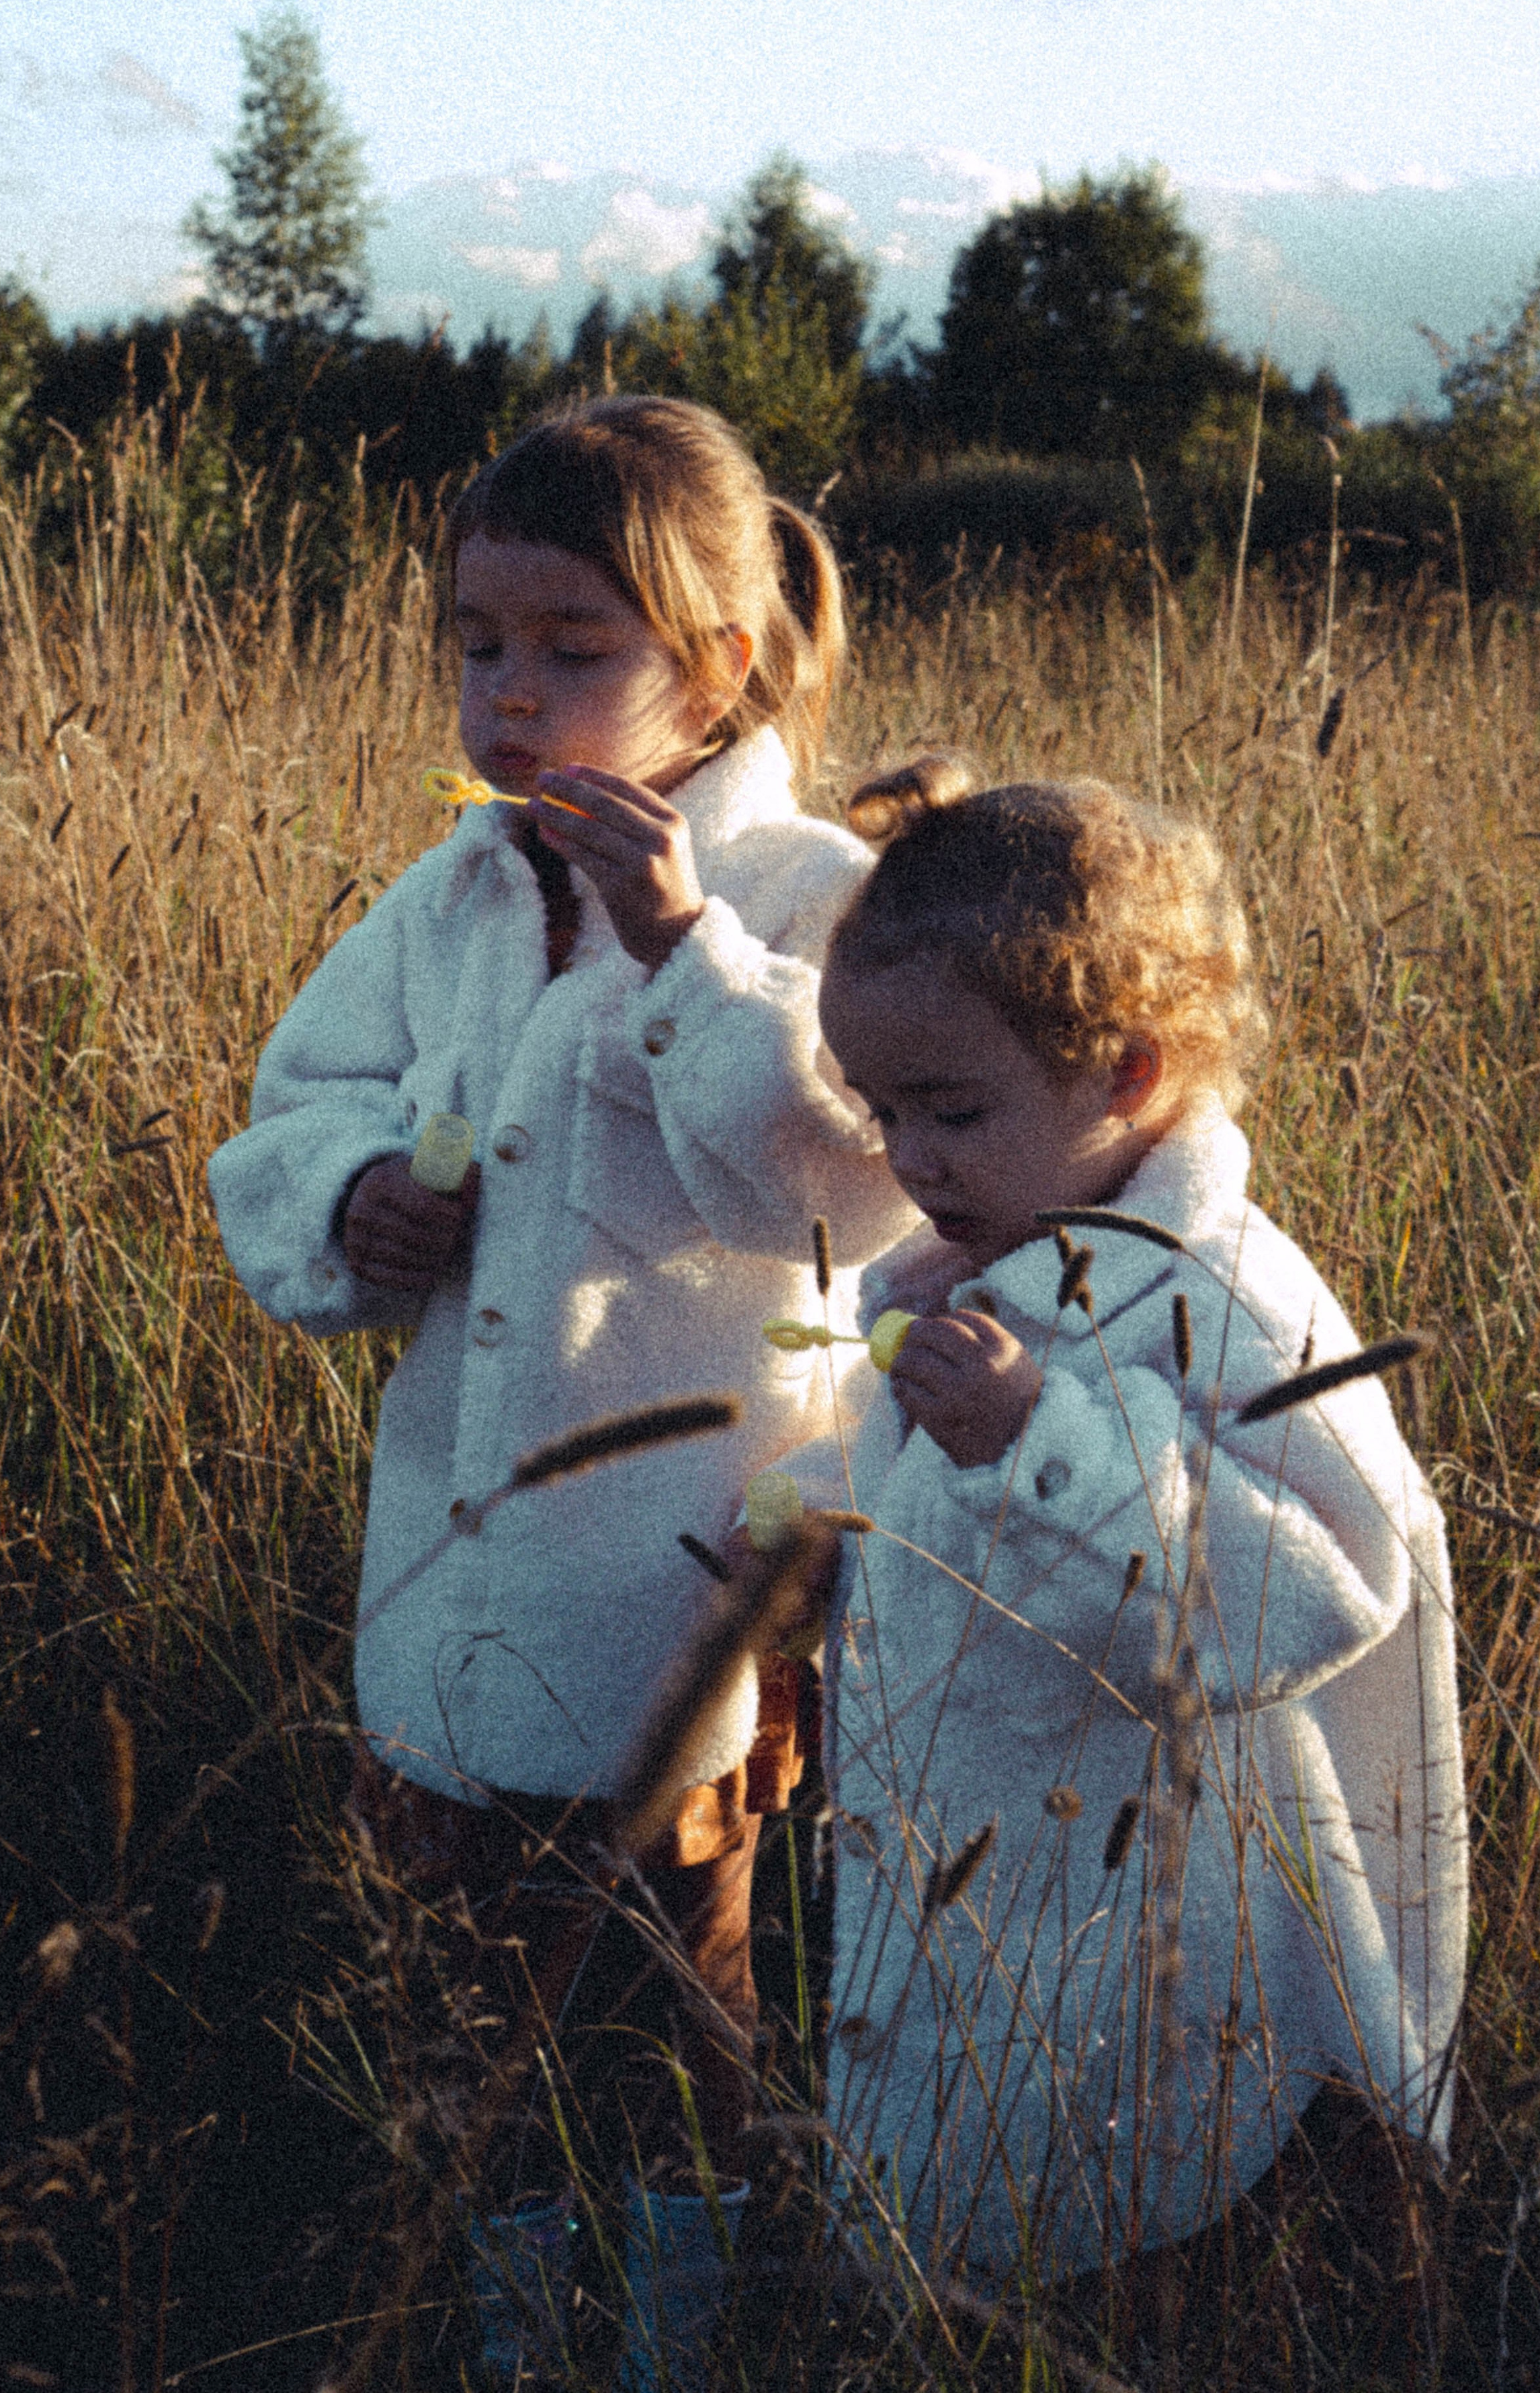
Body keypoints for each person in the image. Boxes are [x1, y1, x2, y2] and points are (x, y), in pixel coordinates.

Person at [207, 398, 913, 2366]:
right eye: (476, 641)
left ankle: (685, 2330)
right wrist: (354, 1200)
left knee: (669, 2004)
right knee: (458, 2007)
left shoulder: (803, 898)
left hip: (669, 1594)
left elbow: (859, 1170)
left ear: (725, 664)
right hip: (450, 1578)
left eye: (573, 650)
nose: (510, 693)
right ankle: (507, 2320)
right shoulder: (453, 896)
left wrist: (684, 950)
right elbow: (297, 1103)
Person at [789, 759, 1465, 2322]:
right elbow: (940, 1548)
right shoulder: (954, 1274)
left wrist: (1046, 1447)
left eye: (953, 1110)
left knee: (1153, 2246)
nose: (910, 1160)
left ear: (1128, 1075)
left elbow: (1331, 1583)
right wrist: (847, 1561)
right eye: (879, 1111)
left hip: (1168, 1919)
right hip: (975, 1878)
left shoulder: (1220, 1294)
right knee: (981, 2203)